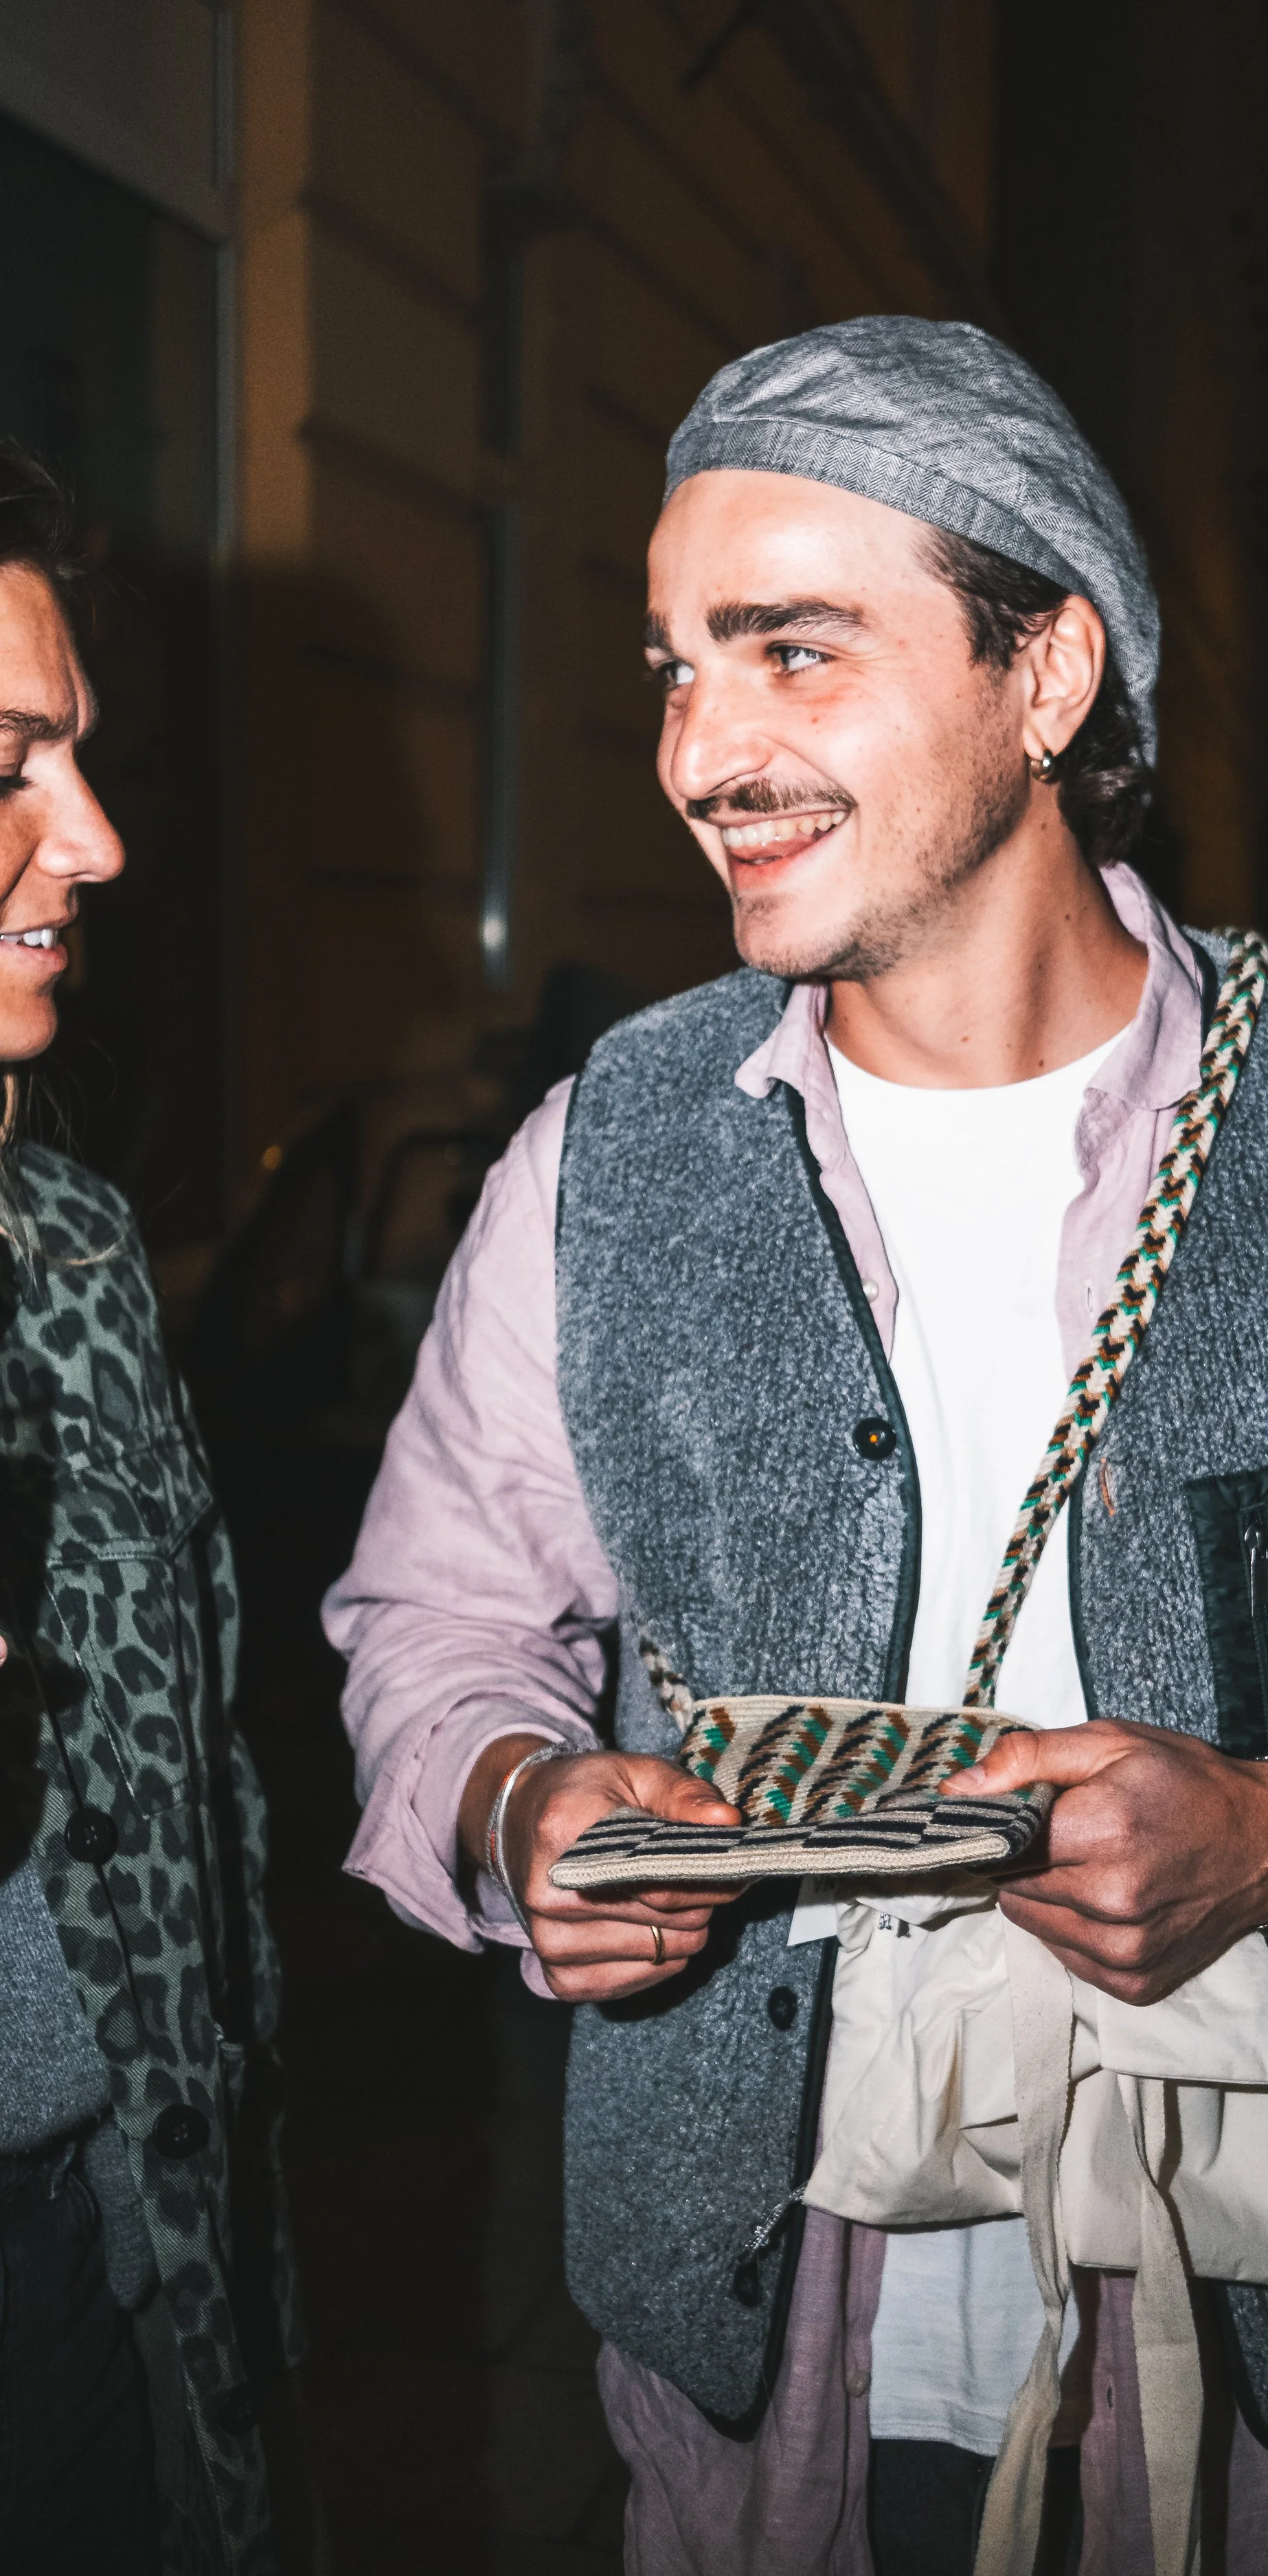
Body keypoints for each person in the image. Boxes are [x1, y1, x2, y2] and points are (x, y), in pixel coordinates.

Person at [326, 320, 1268, 2575]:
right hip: (760, 2344)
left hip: (1255, 2333)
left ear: (1045, 673)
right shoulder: (610, 1147)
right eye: (677, 663)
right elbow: (437, 1615)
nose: (701, 746)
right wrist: (518, 1796)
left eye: (791, 651)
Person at [0, 445, 302, 2574]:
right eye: (8, 763)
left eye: (77, 758)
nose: (91, 843)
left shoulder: (67, 1258)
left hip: (71, 2265)